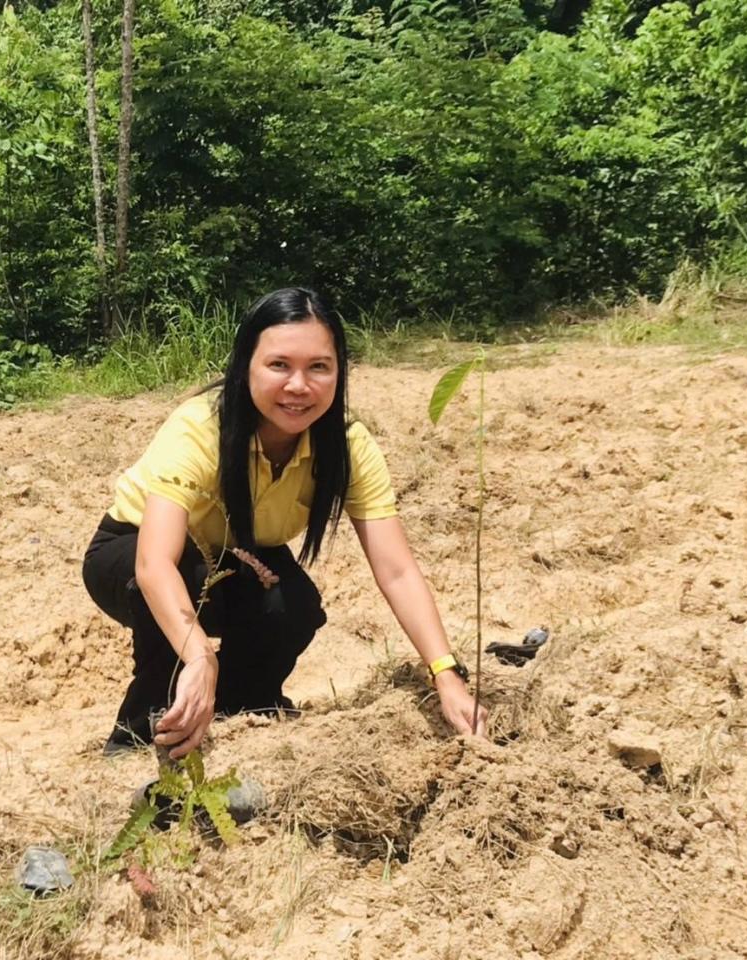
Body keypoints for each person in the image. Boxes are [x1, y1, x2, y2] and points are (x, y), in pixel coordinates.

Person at [83, 287, 488, 758]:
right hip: (130, 555)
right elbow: (154, 564)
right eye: (279, 365)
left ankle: (242, 710)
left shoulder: (348, 447)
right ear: (245, 366)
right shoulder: (200, 427)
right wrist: (200, 656)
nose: (299, 386)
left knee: (291, 603)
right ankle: (139, 733)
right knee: (189, 581)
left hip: (237, 555)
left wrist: (446, 673)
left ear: (340, 372)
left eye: (319, 367)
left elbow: (397, 571)